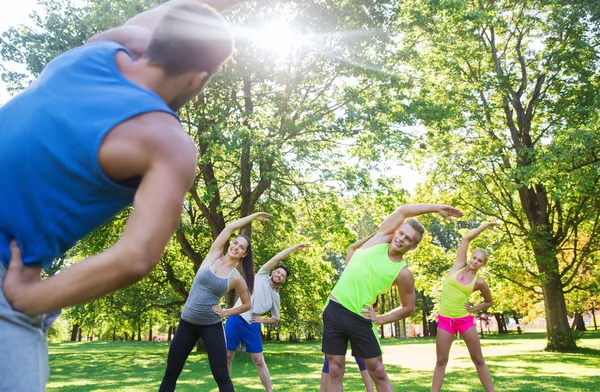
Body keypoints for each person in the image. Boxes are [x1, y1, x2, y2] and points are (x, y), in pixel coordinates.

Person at [0, 1, 243, 390]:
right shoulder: (165, 142)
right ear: (198, 79)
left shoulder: (104, 47)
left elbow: (169, 17)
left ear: (157, 39)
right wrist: (31, 298)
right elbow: (134, 257)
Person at [322, 204, 463, 392]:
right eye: (401, 233)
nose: (401, 239)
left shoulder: (403, 273)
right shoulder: (380, 238)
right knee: (335, 369)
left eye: (408, 239)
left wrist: (380, 319)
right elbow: (403, 211)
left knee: (377, 370)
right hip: (334, 308)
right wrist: (436, 208)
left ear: (413, 247)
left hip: (360, 318)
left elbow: (408, 307)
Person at [159, 212, 270, 391]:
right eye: (235, 242)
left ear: (244, 254)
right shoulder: (213, 255)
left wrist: (225, 312)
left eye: (241, 247)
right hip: (187, 323)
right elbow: (229, 228)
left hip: (211, 326)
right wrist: (253, 216)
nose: (236, 247)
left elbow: (247, 304)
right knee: (171, 373)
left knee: (222, 376)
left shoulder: (236, 278)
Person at [225, 243, 309, 391]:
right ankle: (225, 389)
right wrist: (295, 247)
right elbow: (277, 258)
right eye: (278, 272)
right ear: (273, 272)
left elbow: (276, 318)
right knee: (227, 357)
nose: (279, 276)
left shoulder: (275, 297)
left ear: (283, 280)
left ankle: (269, 390)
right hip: (236, 318)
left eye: (282, 276)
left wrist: (261, 320)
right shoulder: (261, 275)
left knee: (258, 360)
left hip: (252, 325)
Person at [432, 222, 498, 392]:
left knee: (478, 359)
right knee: (441, 361)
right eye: (474, 258)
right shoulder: (458, 265)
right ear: (471, 257)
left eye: (480, 261)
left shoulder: (480, 282)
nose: (475, 262)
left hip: (464, 321)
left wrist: (474, 309)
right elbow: (467, 238)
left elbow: (489, 301)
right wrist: (485, 226)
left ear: (483, 265)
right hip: (445, 320)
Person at [320, 233, 376, 392]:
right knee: (331, 362)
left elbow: (373, 305)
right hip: (336, 313)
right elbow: (351, 247)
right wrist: (372, 236)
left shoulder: (371, 277)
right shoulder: (351, 268)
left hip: (358, 318)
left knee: (363, 360)